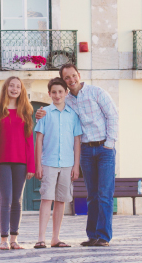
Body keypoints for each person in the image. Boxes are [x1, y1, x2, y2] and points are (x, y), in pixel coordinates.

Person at [36, 63, 118, 247]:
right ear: (64, 82)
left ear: (79, 75)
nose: (72, 80)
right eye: (67, 77)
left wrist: (109, 144)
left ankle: (103, 236)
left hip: (105, 148)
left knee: (105, 193)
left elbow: (112, 116)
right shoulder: (68, 100)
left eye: (74, 75)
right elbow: (54, 109)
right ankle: (92, 235)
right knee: (92, 195)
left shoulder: (97, 92)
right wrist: (40, 113)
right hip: (86, 150)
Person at [34, 78, 82, 249]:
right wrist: (38, 164)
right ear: (49, 94)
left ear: (66, 93)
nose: (57, 95)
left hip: (68, 164)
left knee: (61, 201)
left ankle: (55, 238)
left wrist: (76, 166)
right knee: (46, 198)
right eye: (53, 92)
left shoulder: (73, 115)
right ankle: (41, 238)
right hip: (49, 163)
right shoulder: (45, 113)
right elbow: (39, 140)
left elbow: (77, 141)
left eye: (60, 92)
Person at [0, 76, 35, 251]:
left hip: (21, 162)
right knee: (5, 199)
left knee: (17, 200)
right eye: (11, 86)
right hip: (1, 161)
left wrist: (31, 165)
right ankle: (3, 239)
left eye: (18, 86)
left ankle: (14, 239)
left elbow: (29, 140)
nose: (15, 89)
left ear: (21, 90)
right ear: (6, 88)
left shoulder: (26, 110)